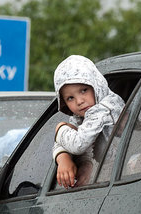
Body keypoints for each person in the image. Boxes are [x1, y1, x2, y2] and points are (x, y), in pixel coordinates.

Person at [52, 55, 125, 189]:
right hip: (115, 174)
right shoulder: (82, 116)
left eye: (84, 90)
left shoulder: (104, 108)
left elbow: (79, 144)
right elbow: (75, 139)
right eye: (70, 98)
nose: (79, 101)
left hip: (130, 169)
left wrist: (60, 128)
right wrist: (63, 158)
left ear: (96, 85)